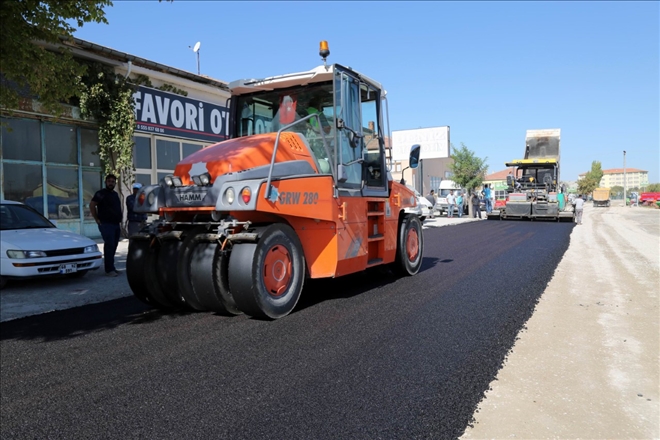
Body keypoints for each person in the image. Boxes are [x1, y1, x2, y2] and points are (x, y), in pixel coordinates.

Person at [90, 174, 122, 277]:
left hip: (116, 224)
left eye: (113, 181)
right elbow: (92, 205)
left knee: (114, 246)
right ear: (106, 182)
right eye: (109, 181)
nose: (111, 183)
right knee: (109, 245)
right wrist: (97, 219)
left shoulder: (115, 194)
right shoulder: (100, 193)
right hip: (106, 224)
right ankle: (109, 270)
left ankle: (112, 267)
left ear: (115, 183)